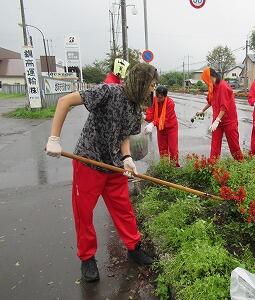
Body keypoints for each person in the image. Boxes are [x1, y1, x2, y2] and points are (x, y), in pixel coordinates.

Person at [45, 63, 158, 282]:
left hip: (114, 165)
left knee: (123, 208)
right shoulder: (107, 91)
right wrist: (54, 138)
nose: (152, 90)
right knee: (84, 213)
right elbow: (64, 101)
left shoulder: (135, 108)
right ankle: (87, 258)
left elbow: (124, 136)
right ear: (141, 82)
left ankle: (134, 247)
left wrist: (127, 159)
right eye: (151, 85)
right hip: (88, 161)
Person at [197, 67, 243, 161]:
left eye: (206, 79)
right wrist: (202, 110)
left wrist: (217, 120)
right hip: (217, 121)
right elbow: (211, 101)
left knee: (234, 145)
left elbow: (224, 107)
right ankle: (213, 165)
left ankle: (241, 164)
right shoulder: (212, 87)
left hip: (229, 120)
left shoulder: (223, 86)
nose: (205, 82)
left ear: (210, 77)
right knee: (215, 145)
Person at [144, 85, 179, 166]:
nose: (158, 99)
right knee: (162, 149)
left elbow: (165, 118)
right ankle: (164, 166)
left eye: (161, 97)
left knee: (173, 149)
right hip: (160, 128)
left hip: (171, 127)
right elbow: (150, 114)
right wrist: (144, 116)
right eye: (157, 97)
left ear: (165, 96)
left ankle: (174, 167)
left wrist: (153, 123)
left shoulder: (170, 103)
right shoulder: (154, 101)